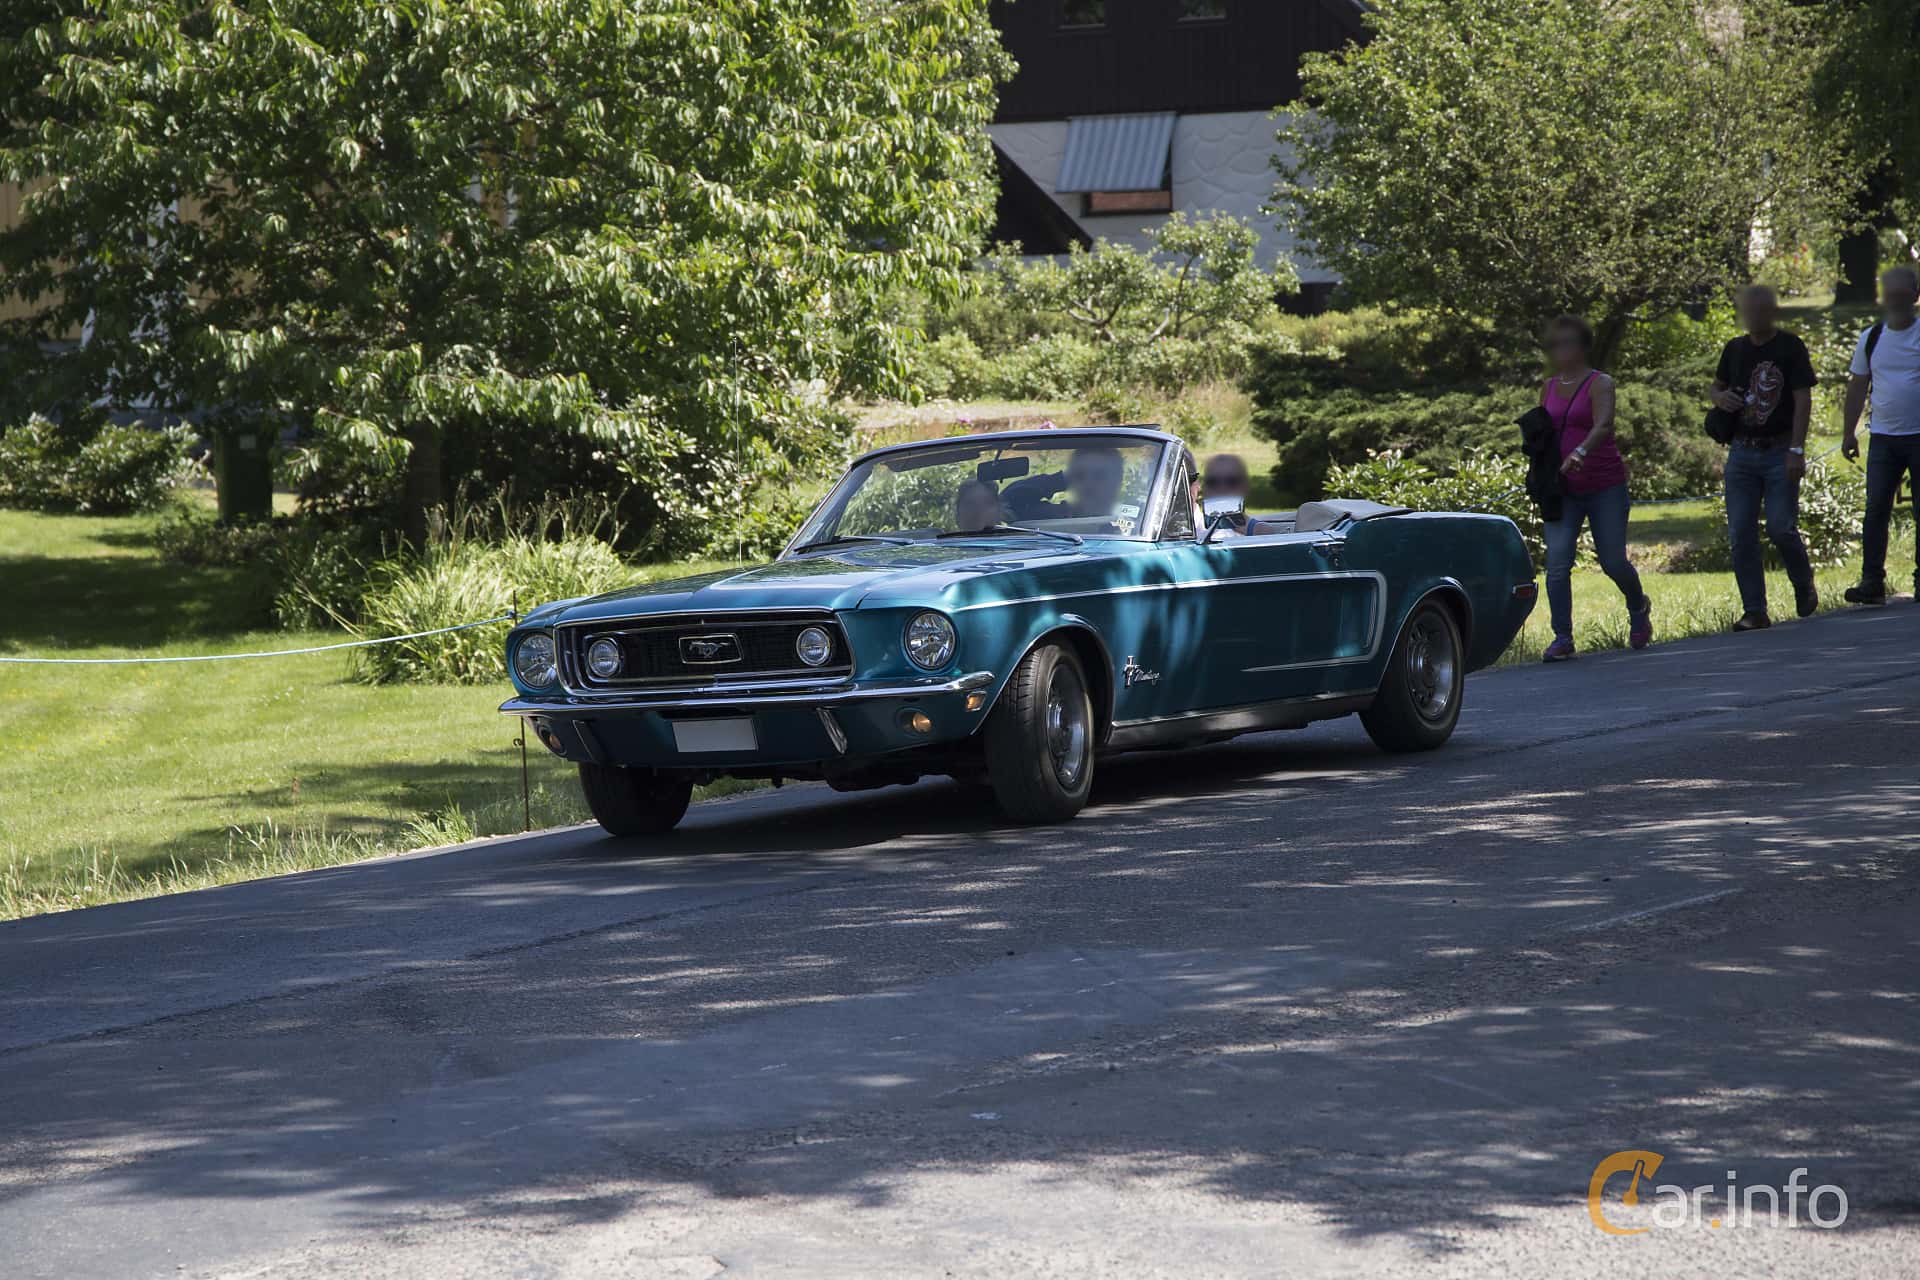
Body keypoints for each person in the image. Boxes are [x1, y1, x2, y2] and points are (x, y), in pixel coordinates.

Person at [1537, 314, 1652, 661]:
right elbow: (1543, 431)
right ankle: (1563, 636)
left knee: (1613, 561)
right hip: (1563, 490)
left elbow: (1603, 425)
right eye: (1555, 343)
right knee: (1556, 563)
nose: (1561, 350)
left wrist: (1580, 452)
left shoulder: (1600, 383)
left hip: (1604, 485)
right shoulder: (1549, 386)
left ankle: (1638, 605)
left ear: (1583, 346)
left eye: (1568, 342)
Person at [1709, 284, 1818, 629]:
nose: (1753, 317)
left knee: (1781, 527)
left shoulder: (1790, 346)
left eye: (1760, 310)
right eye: (1748, 311)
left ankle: (1803, 583)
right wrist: (1719, 398)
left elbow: (1803, 399)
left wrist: (1796, 451)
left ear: (1773, 312)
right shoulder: (1735, 349)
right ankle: (1754, 610)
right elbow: (1716, 385)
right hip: (1741, 452)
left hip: (1779, 450)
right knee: (1741, 534)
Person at [1840, 265, 1920, 604]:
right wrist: (1848, 434)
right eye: (1891, 296)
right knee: (1875, 510)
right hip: (1884, 438)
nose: (1897, 302)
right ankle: (1872, 581)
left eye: (1903, 295)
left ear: (1915, 296)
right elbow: (1858, 386)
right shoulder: (1871, 338)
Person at [1197, 453, 1273, 536]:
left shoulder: (1261, 532)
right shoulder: (1194, 530)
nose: (1222, 488)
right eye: (1212, 482)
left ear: (1245, 487)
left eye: (1232, 481)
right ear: (1203, 488)